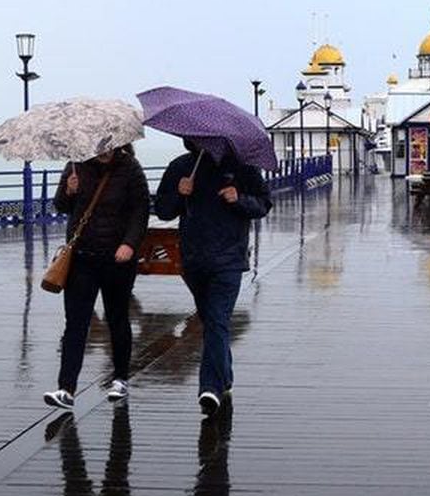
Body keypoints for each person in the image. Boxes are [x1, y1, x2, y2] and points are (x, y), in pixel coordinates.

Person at [155, 139, 272, 417]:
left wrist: (239, 199)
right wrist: (179, 194)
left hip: (229, 259)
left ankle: (210, 388)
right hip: (193, 258)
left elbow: (264, 204)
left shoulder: (241, 167)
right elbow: (162, 210)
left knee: (217, 319)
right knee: (210, 321)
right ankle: (225, 375)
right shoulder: (181, 167)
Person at [43, 144, 151, 410]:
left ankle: (120, 379)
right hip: (82, 258)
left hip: (118, 259)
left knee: (117, 319)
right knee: (76, 324)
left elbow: (141, 210)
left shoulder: (130, 168)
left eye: (109, 145)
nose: (104, 150)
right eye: (100, 146)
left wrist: (129, 244)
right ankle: (66, 388)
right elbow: (61, 205)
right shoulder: (76, 165)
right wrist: (69, 190)